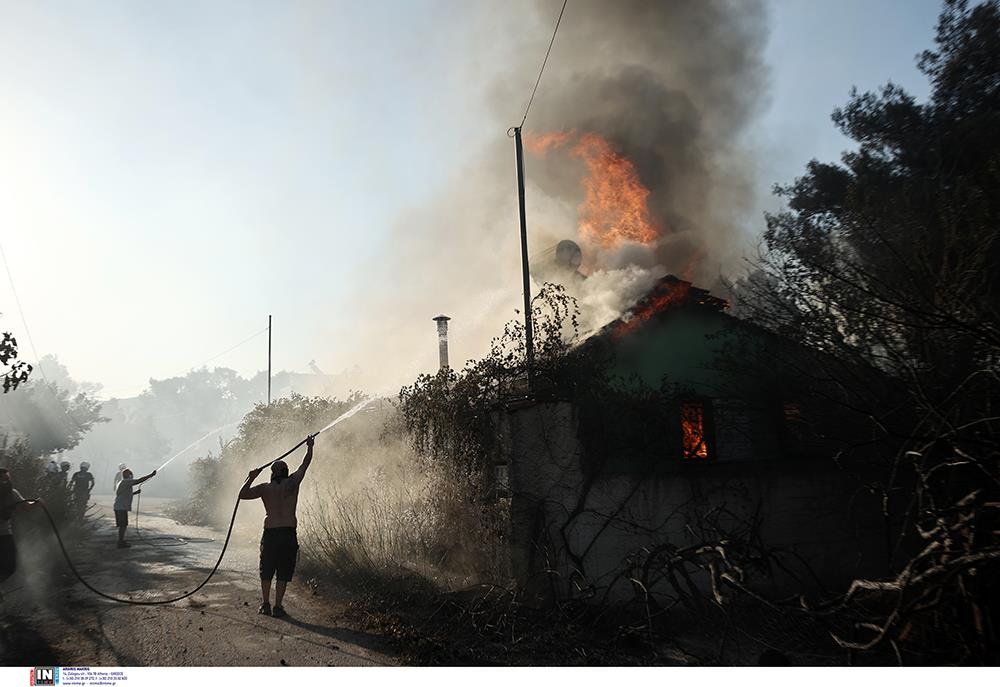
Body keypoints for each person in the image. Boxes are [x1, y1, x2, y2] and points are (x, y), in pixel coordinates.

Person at [239, 435, 314, 618]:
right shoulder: (293, 483)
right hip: (288, 533)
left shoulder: (265, 488)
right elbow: (305, 463)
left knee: (267, 569)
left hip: (271, 533)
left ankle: (265, 604)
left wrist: (251, 478)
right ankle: (278, 606)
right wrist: (310, 447)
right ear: (286, 471)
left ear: (272, 473)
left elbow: (242, 494)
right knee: (283, 570)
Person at [0, 468, 44, 600]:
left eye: (5, 478)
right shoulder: (11, 493)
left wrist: (36, 503)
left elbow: (26, 506)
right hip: (3, 535)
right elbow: (27, 507)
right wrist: (37, 503)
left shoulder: (12, 494)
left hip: (4, 534)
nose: (4, 481)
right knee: (8, 567)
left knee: (9, 567)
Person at [113, 468, 156, 549]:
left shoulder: (123, 482)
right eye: (131, 474)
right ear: (128, 475)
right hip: (121, 507)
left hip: (119, 507)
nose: (132, 475)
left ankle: (121, 541)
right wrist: (151, 475)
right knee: (123, 525)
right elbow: (139, 481)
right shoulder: (126, 481)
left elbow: (125, 494)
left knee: (123, 525)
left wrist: (135, 493)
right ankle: (120, 542)